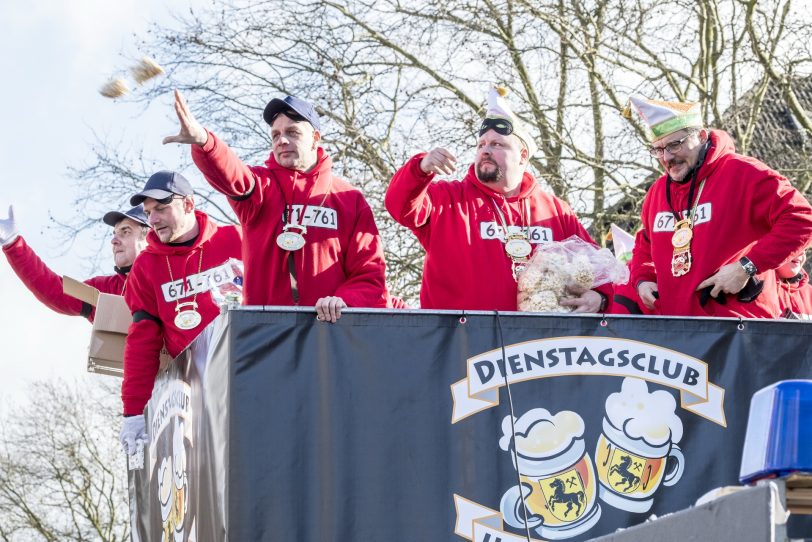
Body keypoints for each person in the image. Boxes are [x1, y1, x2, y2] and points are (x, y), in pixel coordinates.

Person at [163, 90, 388, 323]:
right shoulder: (261, 186)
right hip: (266, 333)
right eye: (275, 135)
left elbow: (369, 273)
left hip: (329, 331)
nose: (282, 140)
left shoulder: (349, 198)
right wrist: (205, 142)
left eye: (292, 132)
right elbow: (233, 176)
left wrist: (344, 300)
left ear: (315, 138)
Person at [385, 88, 611, 312]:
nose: (485, 150)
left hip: (540, 342)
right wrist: (420, 168)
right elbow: (399, 206)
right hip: (461, 342)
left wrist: (600, 298)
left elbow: (594, 268)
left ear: (522, 156)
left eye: (497, 144)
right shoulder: (446, 199)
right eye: (481, 144)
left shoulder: (556, 210)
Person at [626, 96, 812, 317]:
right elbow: (644, 246)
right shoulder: (657, 193)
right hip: (678, 334)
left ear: (702, 136)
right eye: (658, 149)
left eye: (675, 145)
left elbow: (802, 218)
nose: (667, 157)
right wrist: (642, 280)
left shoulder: (743, 173)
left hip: (740, 333)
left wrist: (747, 267)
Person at [120, 170, 242, 454]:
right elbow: (142, 343)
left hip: (250, 376)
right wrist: (133, 411)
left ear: (188, 204)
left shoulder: (235, 239)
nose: (153, 220)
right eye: (149, 212)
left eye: (161, 209)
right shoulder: (145, 268)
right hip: (199, 400)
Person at [0, 204, 148, 321]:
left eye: (125, 232)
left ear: (149, 239)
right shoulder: (102, 291)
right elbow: (55, 291)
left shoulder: (169, 277)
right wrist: (13, 243)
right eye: (114, 234)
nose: (114, 240)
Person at [776, 249, 812, 320]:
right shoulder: (755, 288)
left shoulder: (809, 293)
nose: (802, 252)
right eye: (794, 246)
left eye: (805, 248)